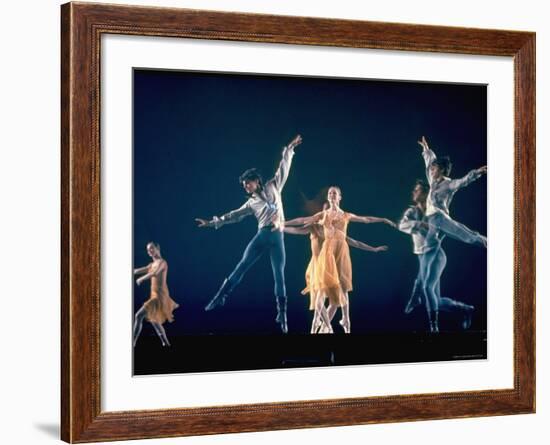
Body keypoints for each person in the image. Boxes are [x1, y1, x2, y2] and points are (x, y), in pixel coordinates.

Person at [195, 135, 303, 333]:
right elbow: (233, 216)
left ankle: (282, 315)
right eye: (244, 184)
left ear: (256, 181)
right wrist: (211, 223)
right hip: (262, 236)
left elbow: (283, 168)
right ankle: (220, 297)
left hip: (277, 237)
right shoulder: (251, 203)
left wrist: (289, 149)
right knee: (242, 266)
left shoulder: (273, 186)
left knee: (279, 276)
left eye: (248, 183)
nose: (245, 186)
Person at [280, 186, 396, 333]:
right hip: (328, 251)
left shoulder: (346, 215)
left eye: (334, 193)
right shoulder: (323, 215)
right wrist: (283, 223)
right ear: (328, 197)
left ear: (340, 197)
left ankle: (342, 322)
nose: (332, 195)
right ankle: (322, 325)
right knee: (322, 288)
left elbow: (366, 219)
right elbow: (302, 220)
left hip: (342, 251)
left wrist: (383, 220)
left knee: (342, 286)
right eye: (330, 193)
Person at [399, 180, 475, 333]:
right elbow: (401, 225)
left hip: (436, 255)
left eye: (418, 190)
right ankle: (465, 309)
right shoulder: (411, 212)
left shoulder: (436, 213)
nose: (414, 192)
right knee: (436, 301)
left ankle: (434, 327)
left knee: (427, 287)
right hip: (422, 256)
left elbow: (448, 231)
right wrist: (420, 225)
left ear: (426, 194)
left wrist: (436, 235)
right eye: (414, 190)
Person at [418, 136, 487, 248]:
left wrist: (477, 172)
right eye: (432, 169)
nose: (431, 171)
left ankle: (487, 242)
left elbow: (463, 181)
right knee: (429, 244)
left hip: (440, 218)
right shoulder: (432, 180)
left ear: (442, 170)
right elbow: (429, 162)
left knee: (466, 235)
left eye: (434, 169)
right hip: (431, 219)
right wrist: (426, 149)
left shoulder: (449, 184)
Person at [133, 242, 179, 347]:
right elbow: (136, 271)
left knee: (138, 315)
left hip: (159, 297)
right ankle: (166, 343)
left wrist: (141, 278)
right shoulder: (151, 265)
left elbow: (154, 273)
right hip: (155, 296)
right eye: (148, 250)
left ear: (158, 247)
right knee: (154, 319)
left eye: (151, 248)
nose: (149, 251)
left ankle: (132, 343)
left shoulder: (162, 262)